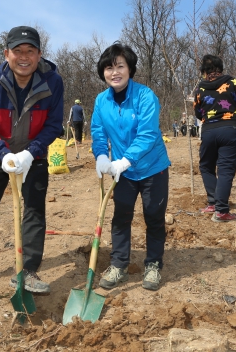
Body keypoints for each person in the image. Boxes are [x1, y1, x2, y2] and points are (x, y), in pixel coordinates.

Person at [0, 26, 64, 293]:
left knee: (33, 211)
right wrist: (4, 153)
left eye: (30, 51)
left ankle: (28, 270)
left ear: (39, 54)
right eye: (17, 51)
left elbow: (53, 125)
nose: (24, 57)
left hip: (34, 156)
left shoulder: (52, 81)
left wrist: (31, 153)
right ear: (6, 53)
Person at [92, 43, 171, 291]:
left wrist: (125, 161)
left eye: (120, 66)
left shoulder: (145, 96)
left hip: (152, 168)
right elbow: (97, 132)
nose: (114, 72)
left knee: (154, 216)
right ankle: (119, 265)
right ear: (103, 72)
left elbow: (148, 134)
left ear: (129, 69)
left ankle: (153, 264)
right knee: (121, 217)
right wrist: (101, 157)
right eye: (109, 67)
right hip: (121, 172)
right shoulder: (101, 101)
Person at [193, 54, 236, 222]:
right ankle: (221, 211)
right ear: (220, 68)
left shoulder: (200, 88)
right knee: (225, 170)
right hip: (230, 129)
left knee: (206, 166)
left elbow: (197, 112)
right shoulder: (232, 82)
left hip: (209, 130)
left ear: (204, 71)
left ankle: (213, 203)